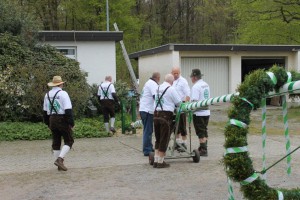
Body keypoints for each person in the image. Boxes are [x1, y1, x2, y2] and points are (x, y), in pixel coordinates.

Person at [43, 76, 75, 171]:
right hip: (62, 118)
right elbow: (68, 110)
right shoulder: (63, 94)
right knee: (69, 141)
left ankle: (59, 165)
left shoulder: (47, 95)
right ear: (61, 84)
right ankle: (60, 160)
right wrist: (71, 123)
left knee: (56, 142)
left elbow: (45, 112)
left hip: (51, 119)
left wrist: (48, 123)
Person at [153, 74, 181, 168]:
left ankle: (156, 160)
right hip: (165, 116)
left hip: (156, 114)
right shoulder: (171, 89)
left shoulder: (157, 87)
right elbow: (178, 102)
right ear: (172, 82)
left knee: (158, 138)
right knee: (164, 138)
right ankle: (161, 162)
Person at [139, 72, 160, 156]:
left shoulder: (147, 83)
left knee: (147, 130)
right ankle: (147, 150)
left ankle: (149, 147)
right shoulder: (153, 84)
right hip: (148, 110)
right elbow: (156, 97)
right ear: (158, 78)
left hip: (143, 109)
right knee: (148, 130)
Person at [190, 69, 210, 156]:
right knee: (204, 130)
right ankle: (203, 146)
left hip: (198, 112)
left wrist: (189, 108)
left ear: (194, 77)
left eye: (191, 77)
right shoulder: (206, 84)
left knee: (200, 131)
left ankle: (204, 149)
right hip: (206, 111)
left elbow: (194, 101)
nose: (191, 79)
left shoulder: (196, 86)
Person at [171, 66, 190, 150]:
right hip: (173, 106)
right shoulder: (172, 81)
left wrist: (185, 105)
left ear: (179, 73)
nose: (175, 75)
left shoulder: (183, 81)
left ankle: (184, 143)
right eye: (174, 73)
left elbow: (188, 93)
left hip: (181, 105)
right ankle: (177, 143)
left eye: (177, 73)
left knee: (182, 125)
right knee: (175, 125)